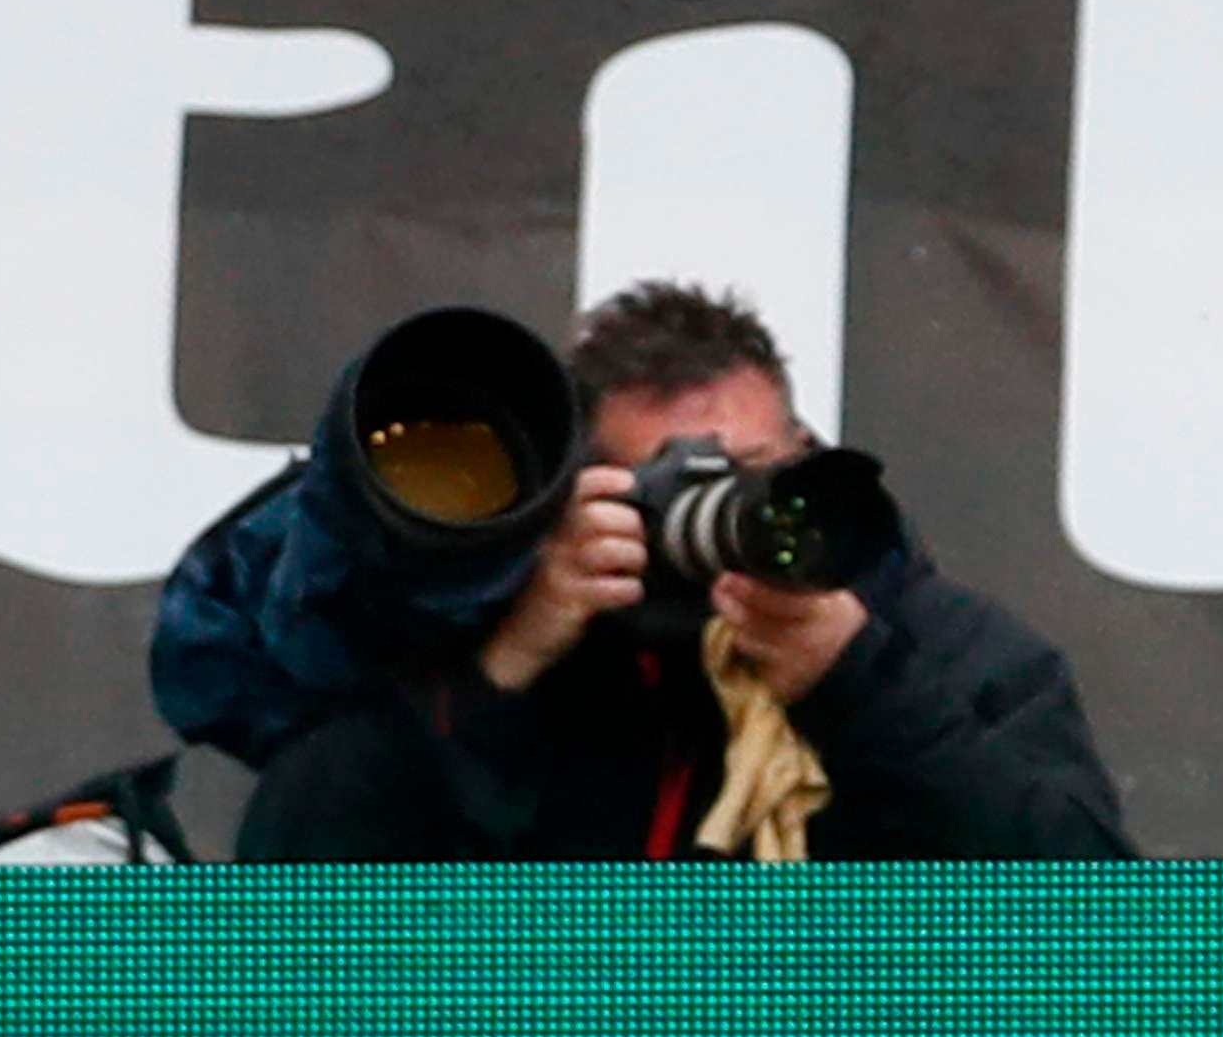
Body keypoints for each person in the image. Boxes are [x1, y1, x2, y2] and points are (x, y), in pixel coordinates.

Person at [232, 283, 1134, 859]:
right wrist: (502, 670)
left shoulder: (939, 643)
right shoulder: (515, 648)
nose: (724, 509)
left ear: (808, 452)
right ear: (586, 496)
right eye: (671, 485)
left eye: (754, 472)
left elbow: (1089, 913)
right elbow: (291, 886)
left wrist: (858, 683)